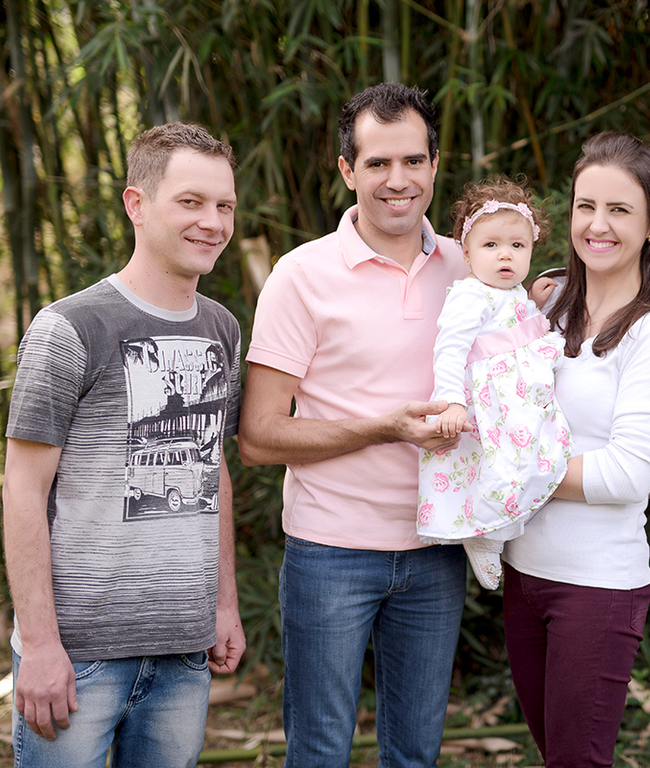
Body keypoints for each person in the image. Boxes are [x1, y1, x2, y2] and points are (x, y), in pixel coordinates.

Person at [237, 83, 468, 767]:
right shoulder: (300, 276)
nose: (397, 181)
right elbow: (257, 436)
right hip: (328, 552)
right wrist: (384, 428)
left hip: (438, 547)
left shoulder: (471, 268)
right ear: (347, 171)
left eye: (412, 161)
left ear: (434, 165)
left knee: (415, 753)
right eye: (376, 164)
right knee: (318, 751)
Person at [2, 123, 244, 768]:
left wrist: (224, 606)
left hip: (182, 653)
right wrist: (42, 644)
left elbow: (210, 467)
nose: (212, 222)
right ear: (137, 205)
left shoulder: (221, 327)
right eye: (190, 202)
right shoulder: (70, 327)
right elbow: (23, 490)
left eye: (224, 205)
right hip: (79, 657)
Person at [501, 132, 650, 767]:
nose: (597, 225)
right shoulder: (547, 305)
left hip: (596, 586)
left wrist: (514, 474)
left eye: (619, 210)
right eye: (586, 206)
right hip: (523, 573)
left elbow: (629, 473)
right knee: (554, 753)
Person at [416, 178, 570, 590]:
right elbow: (449, 348)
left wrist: (533, 301)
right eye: (491, 246)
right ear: (466, 253)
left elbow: (518, 326)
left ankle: (499, 530)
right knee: (498, 469)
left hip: (518, 400)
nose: (506, 255)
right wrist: (450, 401)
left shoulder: (515, 293)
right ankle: (485, 536)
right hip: (491, 404)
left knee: (532, 459)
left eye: (518, 246)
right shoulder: (470, 294)